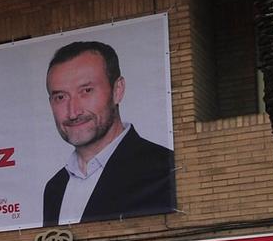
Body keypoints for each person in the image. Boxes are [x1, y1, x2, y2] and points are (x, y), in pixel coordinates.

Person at [39, 38, 176, 228]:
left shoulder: (165, 169)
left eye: (86, 91)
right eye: (60, 97)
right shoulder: (55, 188)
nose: (73, 112)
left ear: (117, 90)